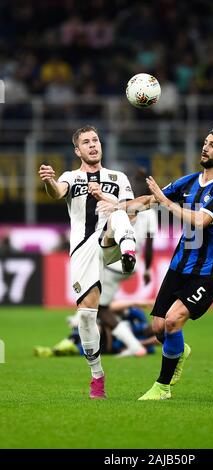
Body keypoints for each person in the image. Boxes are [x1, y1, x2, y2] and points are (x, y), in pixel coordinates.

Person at [98, 127, 213, 400]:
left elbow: (201, 220)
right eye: (205, 143)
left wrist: (167, 204)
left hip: (208, 272)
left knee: (173, 322)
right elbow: (149, 201)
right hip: (179, 266)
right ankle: (179, 350)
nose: (205, 148)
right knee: (159, 328)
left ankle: (162, 388)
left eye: (212, 145)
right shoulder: (188, 182)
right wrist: (116, 206)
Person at [38, 125, 137, 400]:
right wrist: (48, 179)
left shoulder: (118, 177)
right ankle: (97, 377)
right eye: (86, 142)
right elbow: (57, 191)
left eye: (95, 140)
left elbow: (131, 215)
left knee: (116, 212)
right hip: (83, 250)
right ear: (77, 150)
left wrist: (105, 198)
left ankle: (129, 254)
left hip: (111, 240)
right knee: (85, 316)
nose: (93, 145)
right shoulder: (71, 176)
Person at [97, 167, 158, 357]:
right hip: (132, 264)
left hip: (113, 261)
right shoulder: (150, 213)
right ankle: (132, 340)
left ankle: (133, 345)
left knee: (101, 309)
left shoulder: (119, 205)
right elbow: (149, 245)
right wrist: (147, 270)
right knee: (106, 305)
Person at [33, 300, 159, 358]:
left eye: (160, 329)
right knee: (95, 325)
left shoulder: (148, 346)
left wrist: (139, 343)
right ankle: (57, 349)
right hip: (103, 329)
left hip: (109, 345)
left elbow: (156, 343)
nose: (157, 326)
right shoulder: (139, 317)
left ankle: (58, 349)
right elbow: (110, 307)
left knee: (91, 335)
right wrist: (134, 302)